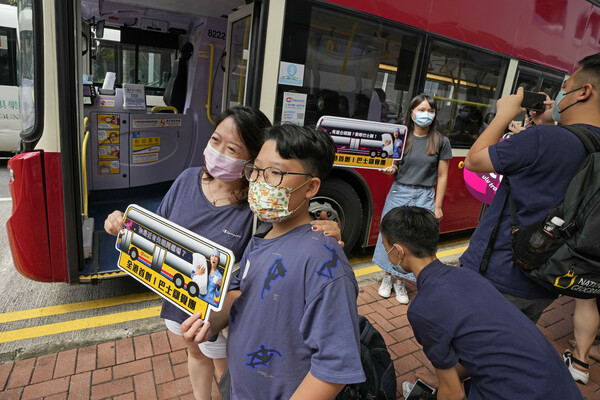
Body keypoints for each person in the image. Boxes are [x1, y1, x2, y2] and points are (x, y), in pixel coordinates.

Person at [104, 106, 342, 400]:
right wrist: (124, 225)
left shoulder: (260, 210)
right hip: (184, 301)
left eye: (233, 148)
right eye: (215, 140)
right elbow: (157, 231)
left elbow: (296, 222)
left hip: (232, 323)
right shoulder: (187, 181)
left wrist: (329, 229)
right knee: (200, 355)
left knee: (224, 368)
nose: (219, 151)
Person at [180, 124, 365, 399]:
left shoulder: (323, 260)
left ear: (311, 187)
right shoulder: (261, 238)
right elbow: (243, 295)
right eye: (256, 170)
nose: (259, 182)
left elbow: (334, 366)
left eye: (276, 173)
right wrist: (209, 321)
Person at [461, 53, 600, 383]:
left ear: (584, 92)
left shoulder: (544, 139)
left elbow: (475, 161)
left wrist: (504, 114)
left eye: (565, 86)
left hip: (497, 273)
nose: (559, 95)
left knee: (465, 351)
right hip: (548, 278)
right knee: (505, 350)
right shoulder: (571, 140)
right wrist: (550, 124)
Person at [379, 206, 583, 400]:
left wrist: (447, 385)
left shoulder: (422, 309)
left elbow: (454, 395)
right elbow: (482, 350)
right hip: (557, 386)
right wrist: (444, 379)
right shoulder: (466, 275)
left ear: (398, 250)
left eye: (385, 247)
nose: (386, 253)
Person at [374, 94, 451, 304]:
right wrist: (391, 168)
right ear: (412, 113)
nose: (426, 115)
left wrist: (438, 206)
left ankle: (400, 281)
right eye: (422, 110)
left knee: (413, 239)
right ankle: (387, 277)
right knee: (390, 235)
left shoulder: (441, 141)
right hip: (400, 192)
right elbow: (393, 164)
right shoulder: (400, 136)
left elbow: (443, 175)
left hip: (425, 195)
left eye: (430, 111)